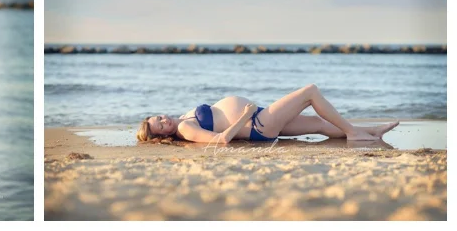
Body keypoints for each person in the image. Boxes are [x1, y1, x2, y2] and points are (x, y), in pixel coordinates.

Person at [137, 87, 400, 144]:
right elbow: (221, 140)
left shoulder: (183, 118)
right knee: (310, 92)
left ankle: (372, 131)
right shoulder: (185, 129)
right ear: (164, 135)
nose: (164, 121)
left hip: (258, 118)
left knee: (318, 124)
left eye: (159, 118)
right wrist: (245, 115)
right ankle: (353, 133)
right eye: (160, 127)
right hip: (257, 124)